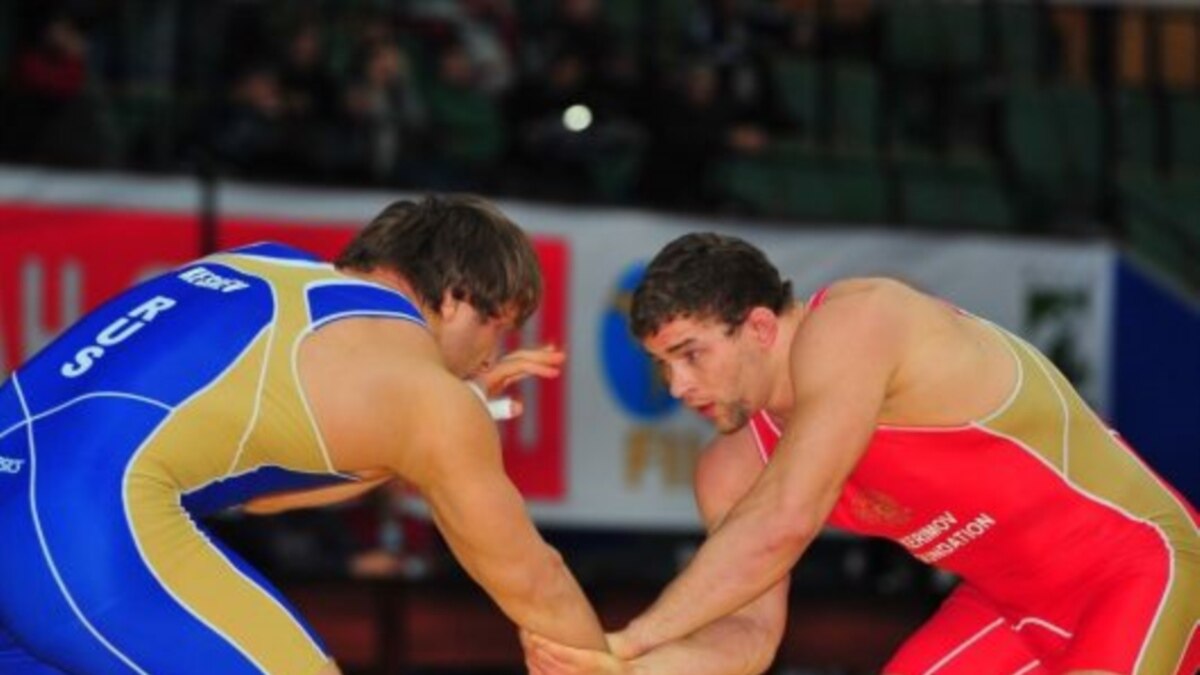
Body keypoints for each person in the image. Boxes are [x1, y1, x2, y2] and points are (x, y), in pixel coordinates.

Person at [525, 232, 1199, 675]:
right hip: (1009, 608)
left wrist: (633, 637)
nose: (677, 387)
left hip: (1139, 568)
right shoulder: (730, 467)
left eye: (690, 354)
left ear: (759, 327)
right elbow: (749, 635)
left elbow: (785, 520)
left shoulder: (862, 321)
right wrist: (629, 666)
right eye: (662, 365)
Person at [0, 195, 608, 674]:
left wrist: (441, 427)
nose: (490, 357)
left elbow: (259, 494)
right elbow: (535, 585)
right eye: (499, 327)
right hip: (81, 534)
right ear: (457, 298)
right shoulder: (427, 397)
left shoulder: (257, 263)